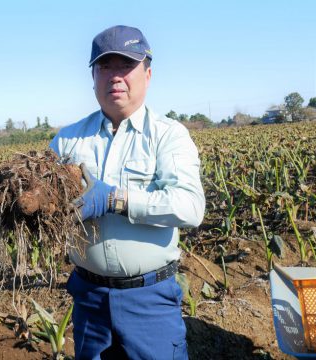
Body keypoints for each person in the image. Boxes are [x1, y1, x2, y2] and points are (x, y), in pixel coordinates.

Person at [50, 25, 205, 360]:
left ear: (147, 75)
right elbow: (42, 196)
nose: (115, 77)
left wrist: (114, 199)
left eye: (126, 66)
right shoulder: (67, 140)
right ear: (93, 77)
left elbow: (190, 207)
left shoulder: (168, 136)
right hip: (89, 298)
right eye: (105, 67)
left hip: (149, 300)